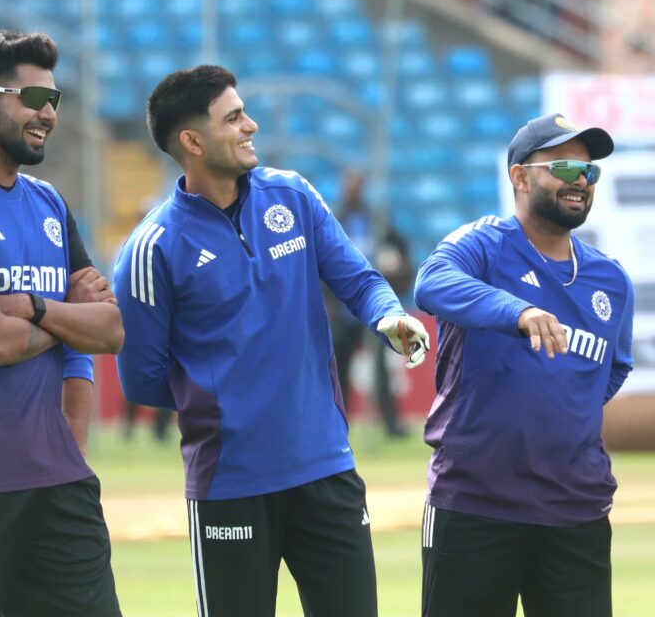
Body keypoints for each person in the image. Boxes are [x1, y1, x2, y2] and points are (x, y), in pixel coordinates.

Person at [113, 65, 430, 617]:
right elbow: (141, 377)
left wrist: (387, 317)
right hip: (229, 483)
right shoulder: (152, 247)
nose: (250, 125)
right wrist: (229, 401)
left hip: (326, 469)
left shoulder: (294, 196)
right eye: (233, 118)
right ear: (192, 141)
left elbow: (359, 280)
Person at [414, 113, 634, 617]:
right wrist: (518, 311)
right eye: (562, 166)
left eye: (589, 171)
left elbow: (612, 370)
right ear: (519, 176)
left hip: (575, 512)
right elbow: (431, 283)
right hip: (474, 506)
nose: (579, 179)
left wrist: (555, 404)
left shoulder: (611, 279)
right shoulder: (485, 245)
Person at [0, 30, 123, 616]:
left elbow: (109, 332)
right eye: (34, 98)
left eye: (55, 100)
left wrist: (35, 308)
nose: (49, 113)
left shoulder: (51, 203)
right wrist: (70, 316)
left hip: (58, 482)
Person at [330, 170, 412, 437]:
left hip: (370, 310)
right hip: (341, 312)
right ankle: (337, 425)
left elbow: (400, 250)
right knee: (337, 371)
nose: (352, 191)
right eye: (348, 186)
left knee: (380, 371)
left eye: (357, 186)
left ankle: (391, 426)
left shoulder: (376, 221)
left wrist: (398, 265)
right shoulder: (333, 219)